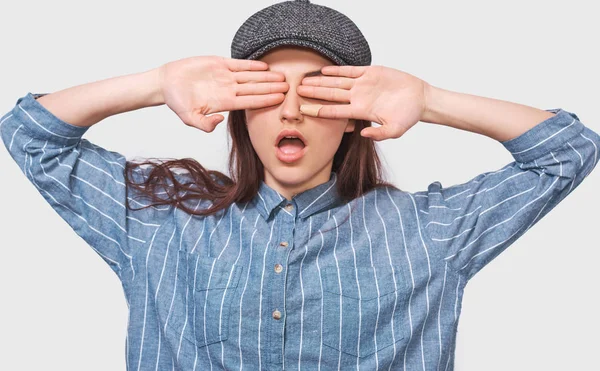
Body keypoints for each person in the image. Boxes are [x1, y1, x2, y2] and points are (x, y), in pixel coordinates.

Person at [1, 0, 599, 370]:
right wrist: (156, 83)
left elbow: (568, 152)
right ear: (239, 111)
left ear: (353, 116)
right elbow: (30, 134)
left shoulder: (431, 232)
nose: (291, 111)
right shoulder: (161, 224)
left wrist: (431, 99)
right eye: (266, 91)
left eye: (318, 92)